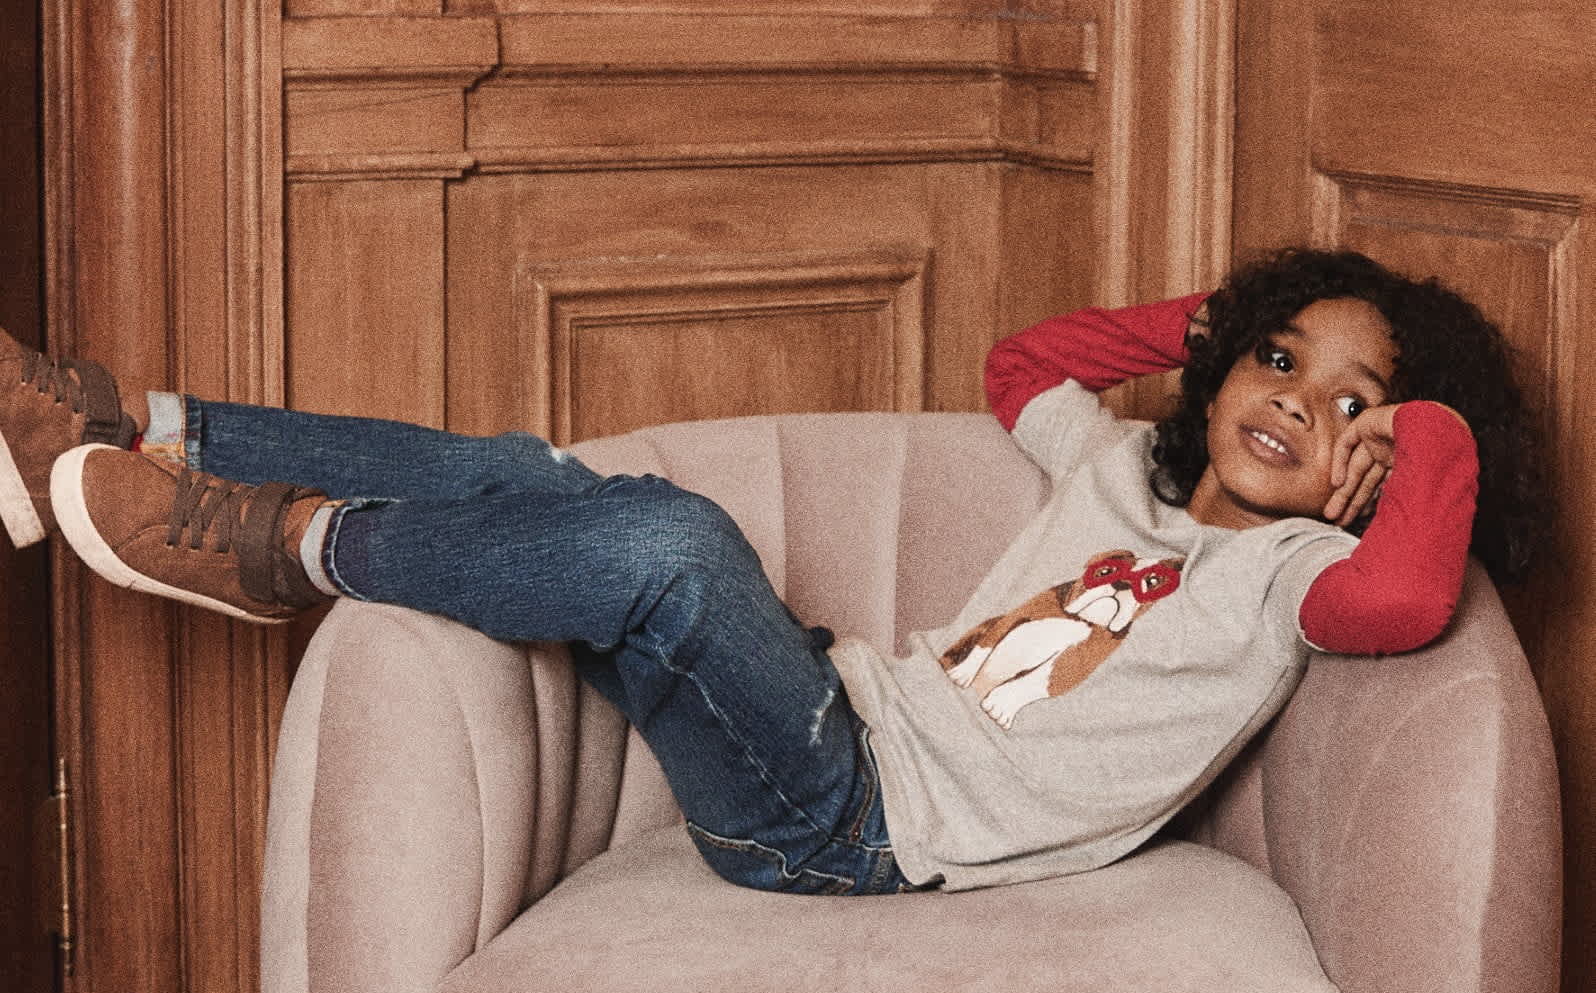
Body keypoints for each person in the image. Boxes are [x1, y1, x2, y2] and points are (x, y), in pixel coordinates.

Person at [0, 246, 1547, 896]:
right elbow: (1024, 360)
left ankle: (278, 549)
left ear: (1381, 463)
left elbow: (1411, 596)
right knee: (554, 479)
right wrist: (1215, 319)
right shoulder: (1111, 470)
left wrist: (1430, 429)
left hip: (856, 827)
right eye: (1280, 359)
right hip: (825, 702)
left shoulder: (1286, 582)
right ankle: (136, 422)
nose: (1297, 401)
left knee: (670, 540)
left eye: (1354, 403)